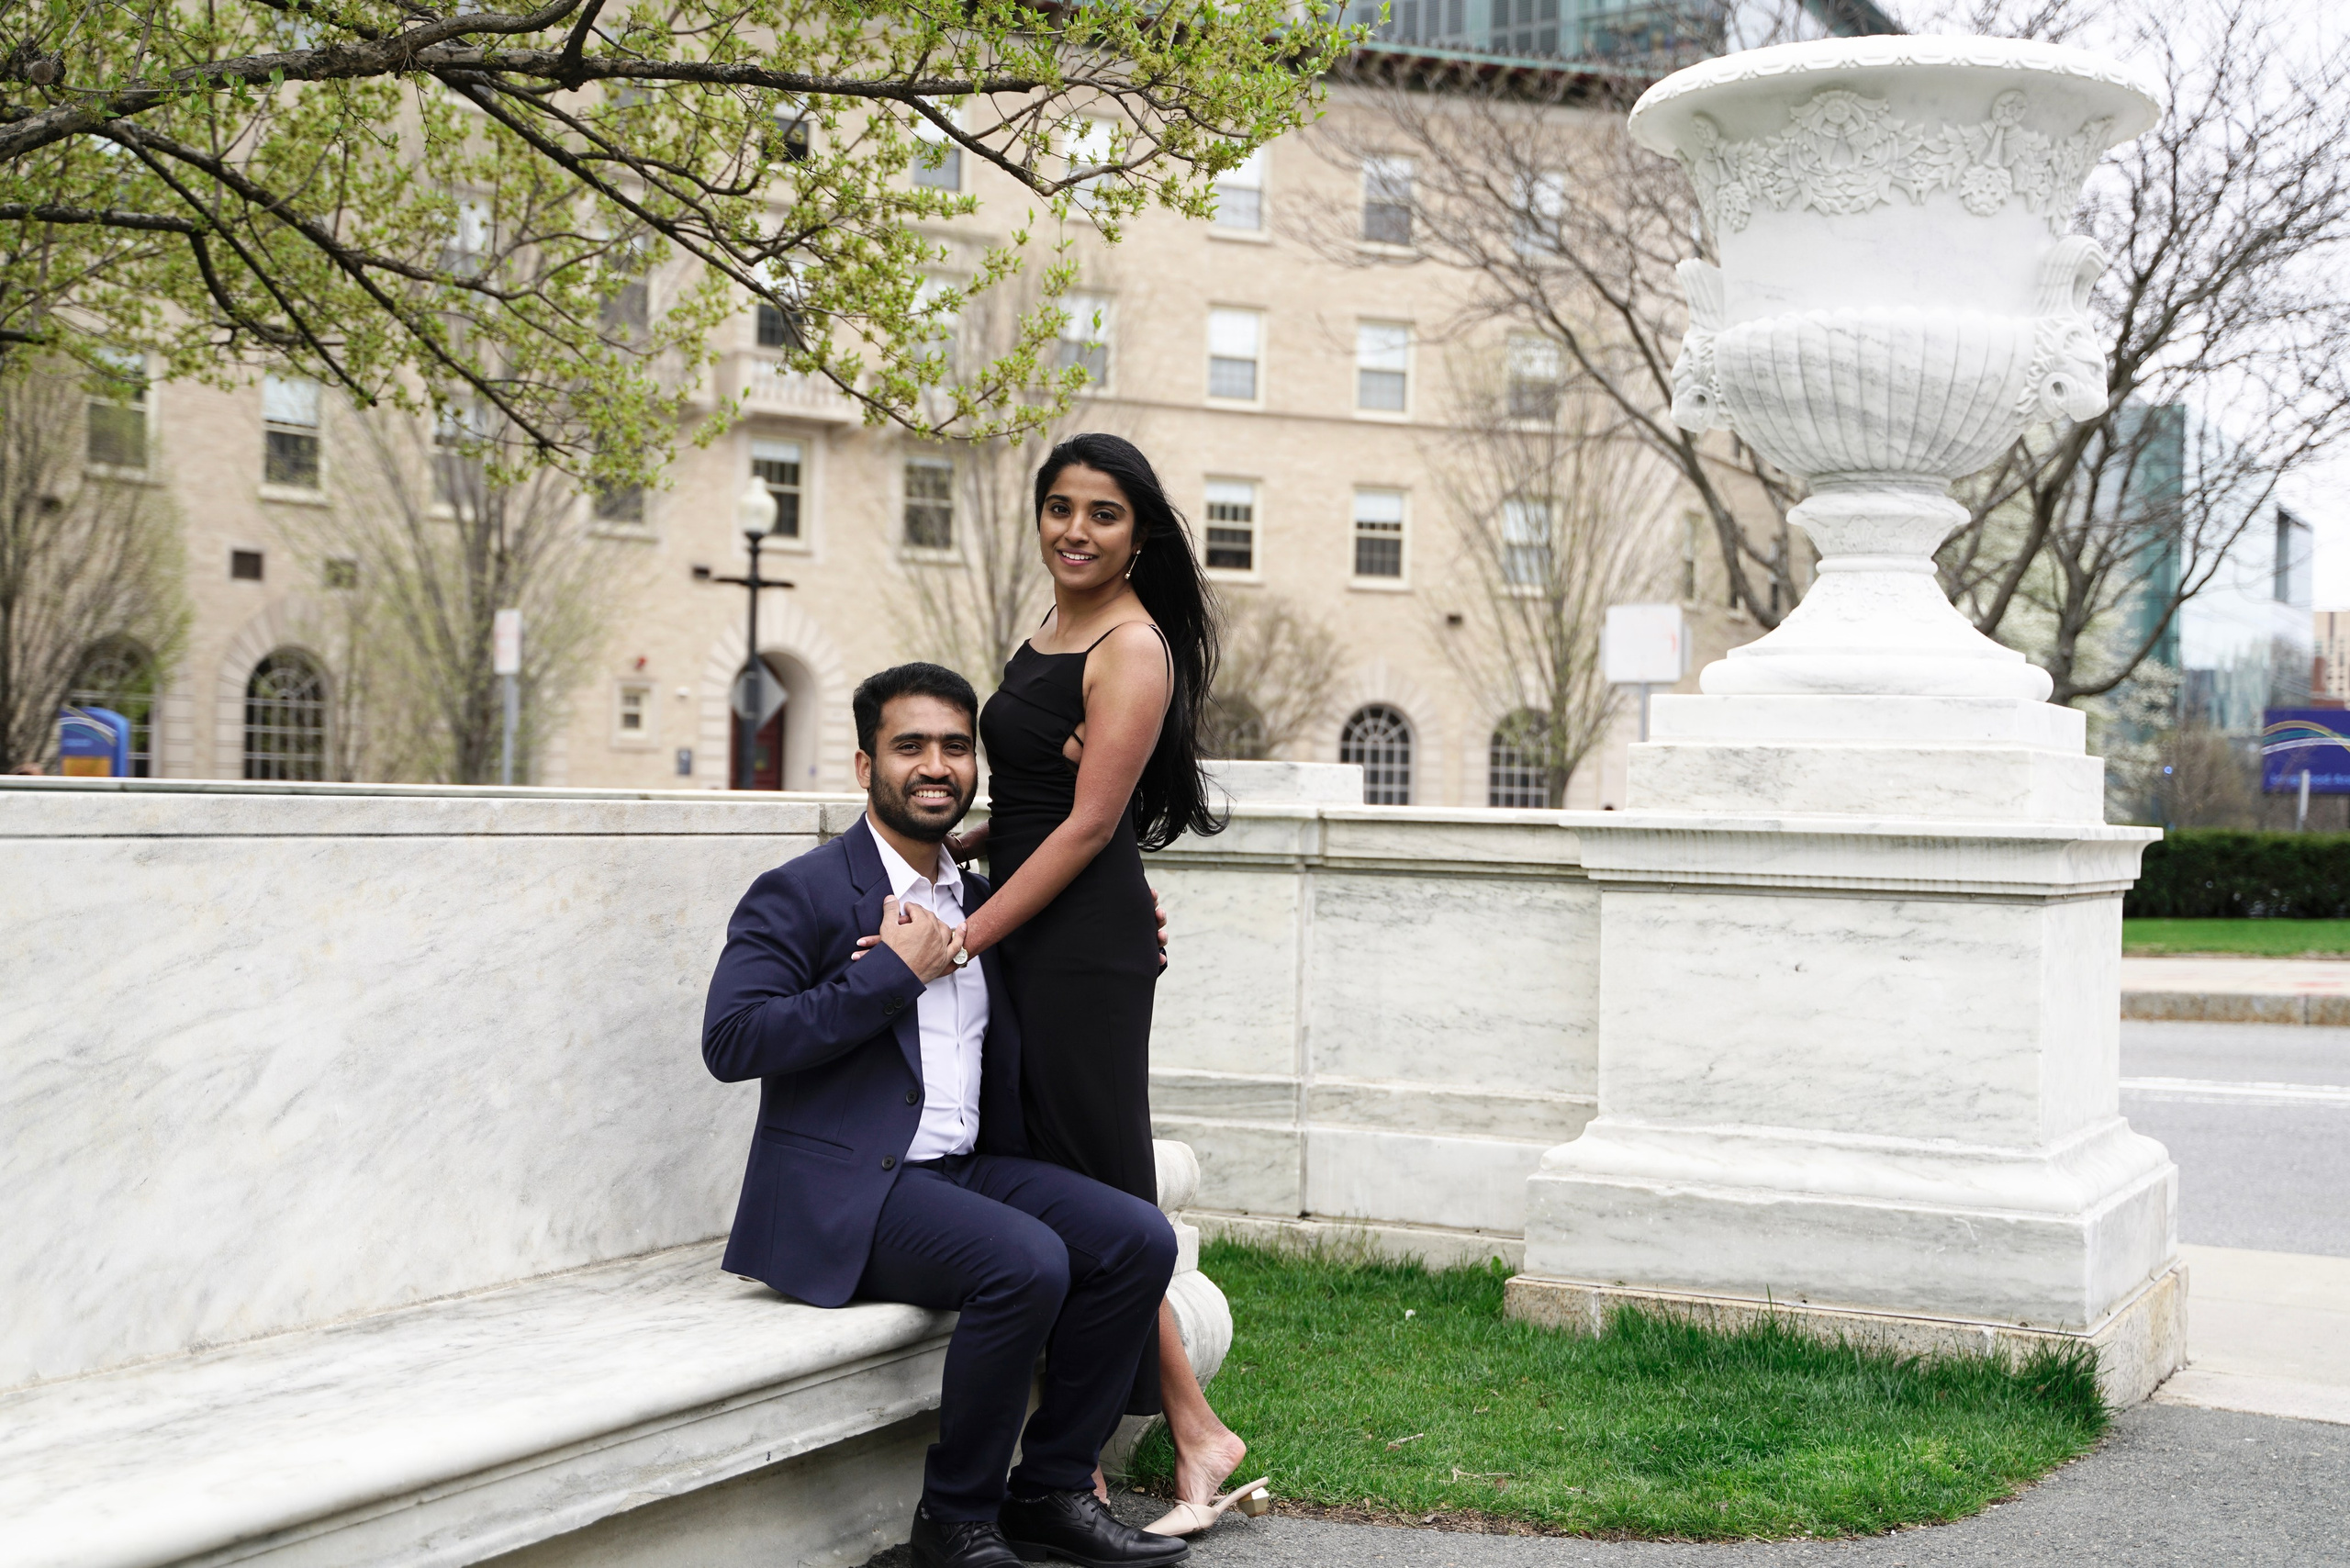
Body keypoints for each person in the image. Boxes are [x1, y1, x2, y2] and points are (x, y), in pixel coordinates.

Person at [702, 662, 1189, 1568]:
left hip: (968, 1168)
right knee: (1027, 1260)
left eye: (954, 746)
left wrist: (1124, 941)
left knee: (1136, 1238)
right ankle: (954, 1519)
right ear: (864, 766)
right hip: (851, 1188)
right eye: (910, 746)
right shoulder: (802, 890)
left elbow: (1061, 981)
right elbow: (733, 1040)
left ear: (975, 765)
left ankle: (1047, 1490)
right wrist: (888, 972)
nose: (935, 764)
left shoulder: (982, 900)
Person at [901, 434, 1265, 1536]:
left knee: (1094, 1180)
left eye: (1101, 513)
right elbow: (1030, 814)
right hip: (1031, 923)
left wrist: (966, 939)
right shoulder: (1051, 628)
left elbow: (1091, 824)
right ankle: (1180, 1429)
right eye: (1058, 506)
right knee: (1067, 1181)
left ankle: (1147, 1437)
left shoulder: (1131, 644)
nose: (1074, 529)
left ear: (1138, 532)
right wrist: (936, 848)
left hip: (1075, 944)